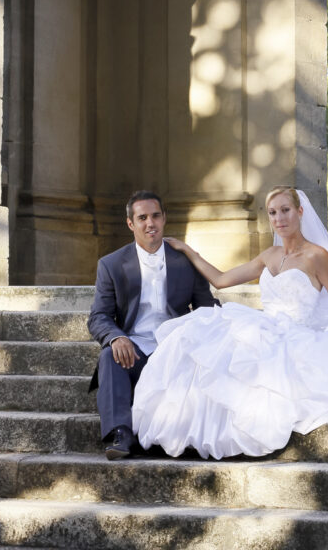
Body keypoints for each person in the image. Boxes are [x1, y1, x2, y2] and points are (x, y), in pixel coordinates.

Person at [132, 186, 328, 460]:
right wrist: (187, 249)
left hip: (298, 332)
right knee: (202, 337)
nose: (279, 218)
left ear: (299, 212)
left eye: (285, 210)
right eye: (272, 213)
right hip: (266, 326)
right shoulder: (269, 255)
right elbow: (221, 279)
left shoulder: (317, 257)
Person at [87, 190, 219, 460]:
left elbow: (206, 308)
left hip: (176, 351)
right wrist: (116, 337)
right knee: (109, 355)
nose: (150, 223)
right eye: (142, 217)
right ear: (130, 223)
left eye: (156, 216)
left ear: (164, 218)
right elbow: (98, 316)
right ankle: (121, 433)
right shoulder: (111, 264)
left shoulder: (186, 261)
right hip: (135, 351)